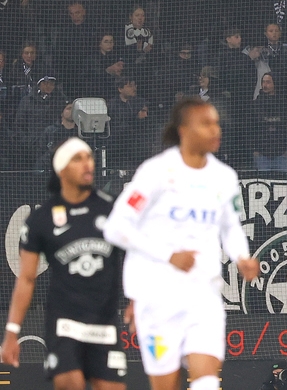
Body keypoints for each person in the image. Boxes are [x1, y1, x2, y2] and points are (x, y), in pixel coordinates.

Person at [103, 97, 259, 390]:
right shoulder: (156, 172)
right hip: (157, 298)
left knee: (207, 381)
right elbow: (116, 227)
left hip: (203, 295)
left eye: (216, 123)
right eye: (206, 123)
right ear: (184, 130)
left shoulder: (224, 177)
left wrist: (242, 257)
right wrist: (168, 256)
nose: (216, 130)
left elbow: (230, 226)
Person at [1, 138, 127, 390]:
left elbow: (138, 254)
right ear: (61, 169)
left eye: (89, 157)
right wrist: (12, 331)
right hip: (64, 322)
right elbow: (26, 278)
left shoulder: (112, 208)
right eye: (77, 159)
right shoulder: (41, 219)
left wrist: (136, 299)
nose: (87, 164)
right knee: (70, 383)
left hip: (104, 321)